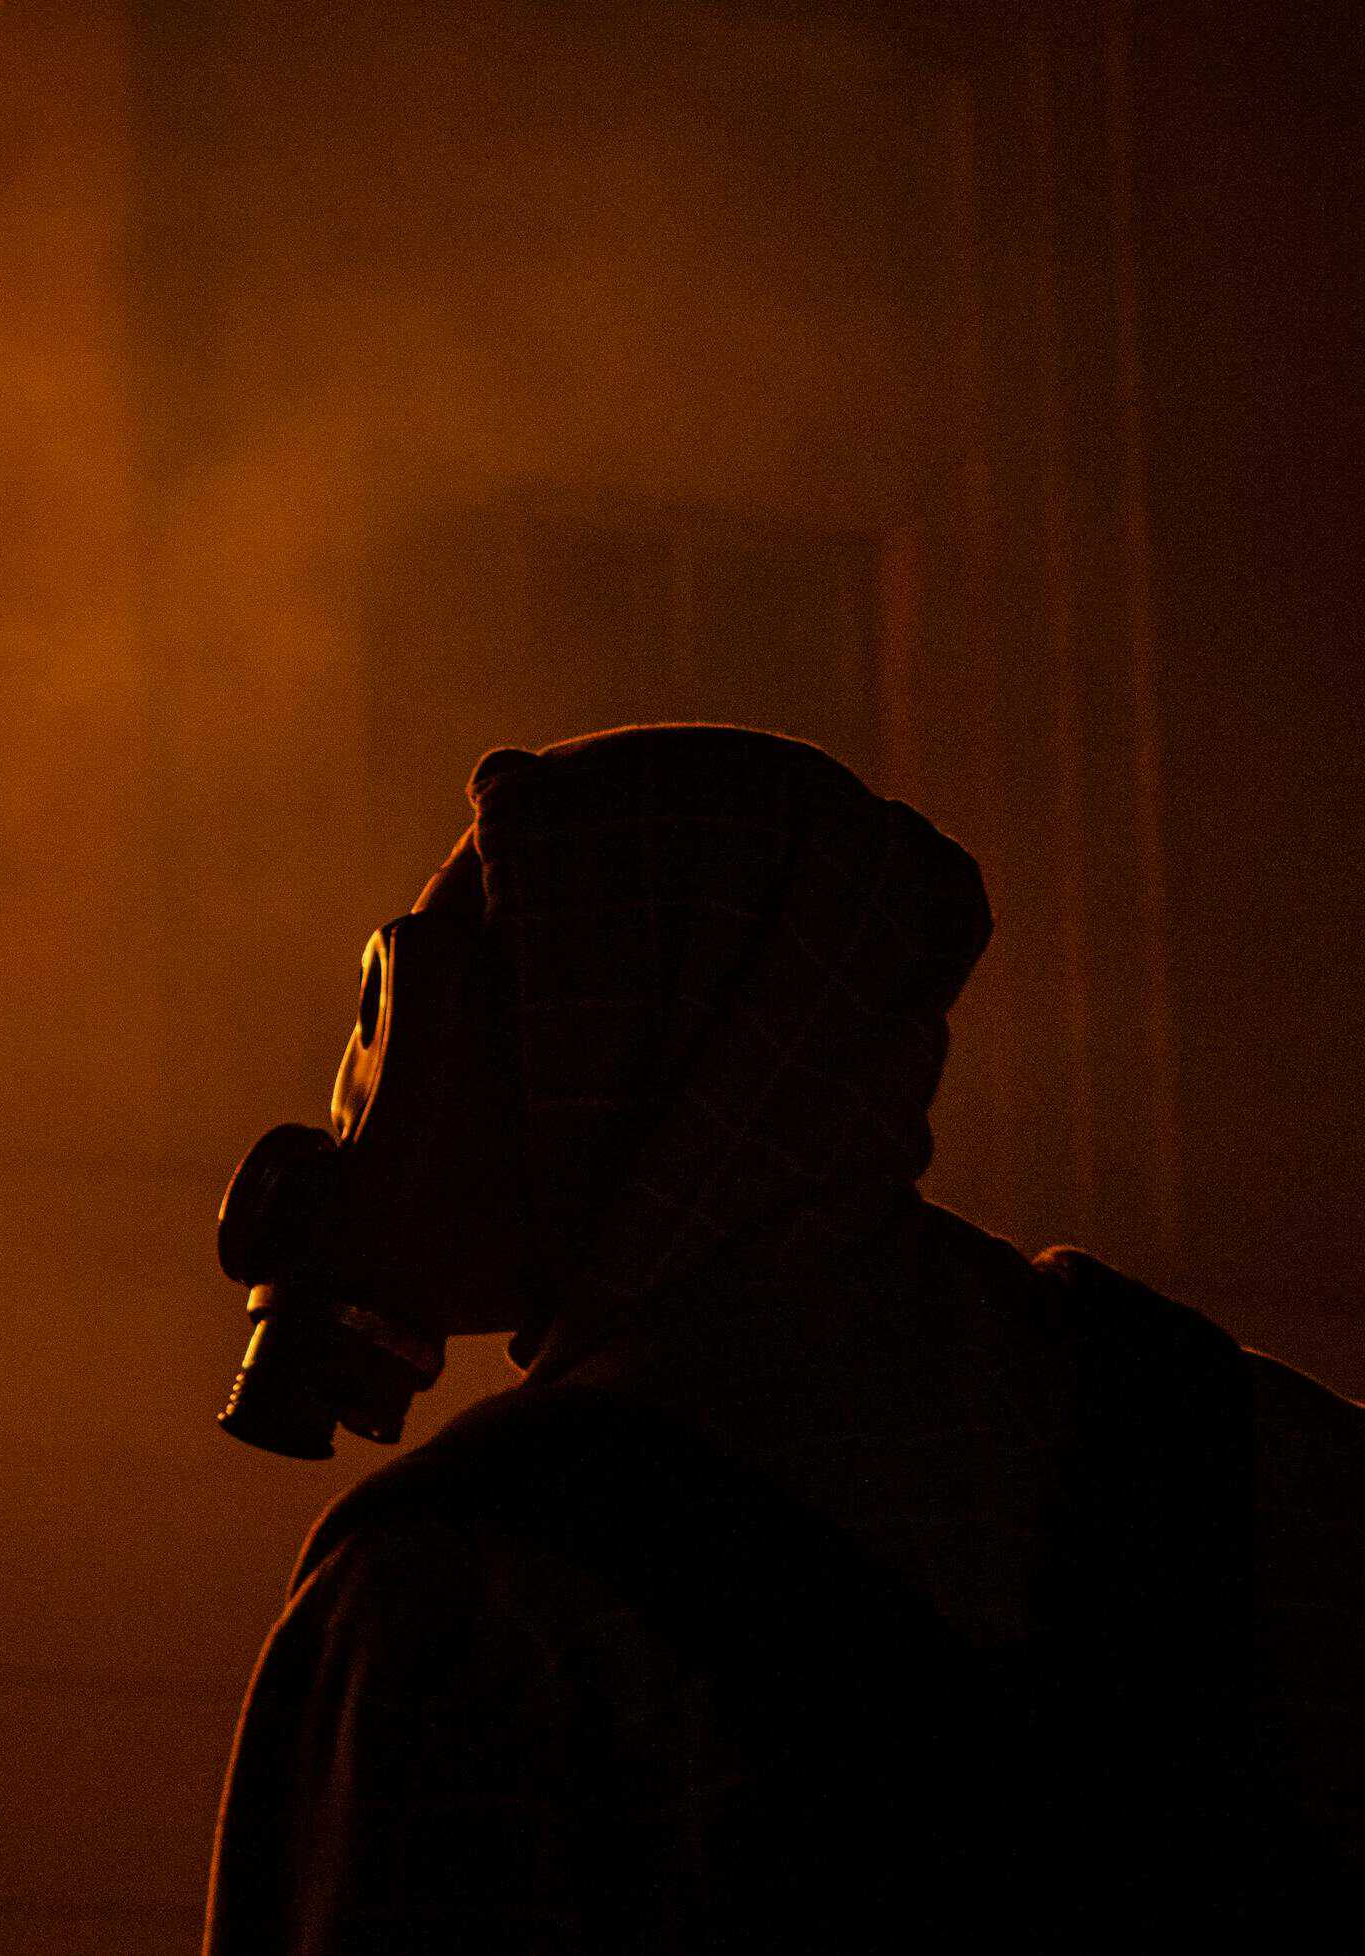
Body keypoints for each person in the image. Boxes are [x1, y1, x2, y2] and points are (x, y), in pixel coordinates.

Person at [203, 725, 1365, 1955]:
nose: (378, 1085)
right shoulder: (1254, 1454)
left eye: (449, 998)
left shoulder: (460, 1589)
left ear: (601, 1040)